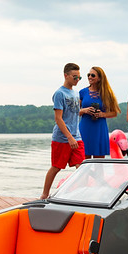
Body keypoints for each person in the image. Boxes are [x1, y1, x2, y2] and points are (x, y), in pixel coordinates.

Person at [42, 63, 84, 198]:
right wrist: (69, 137)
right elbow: (58, 119)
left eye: (79, 77)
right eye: (74, 77)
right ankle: (44, 194)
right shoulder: (60, 93)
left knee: (82, 167)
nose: (77, 80)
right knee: (56, 167)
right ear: (66, 75)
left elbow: (74, 113)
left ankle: (80, 195)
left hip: (77, 136)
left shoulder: (76, 93)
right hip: (62, 138)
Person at [78, 66, 120, 159]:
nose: (90, 77)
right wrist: (84, 110)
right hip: (85, 128)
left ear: (100, 78)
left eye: (93, 75)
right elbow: (75, 112)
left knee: (99, 163)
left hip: (99, 129)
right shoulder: (82, 92)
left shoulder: (106, 93)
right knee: (84, 162)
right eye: (88, 75)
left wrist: (102, 114)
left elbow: (114, 113)